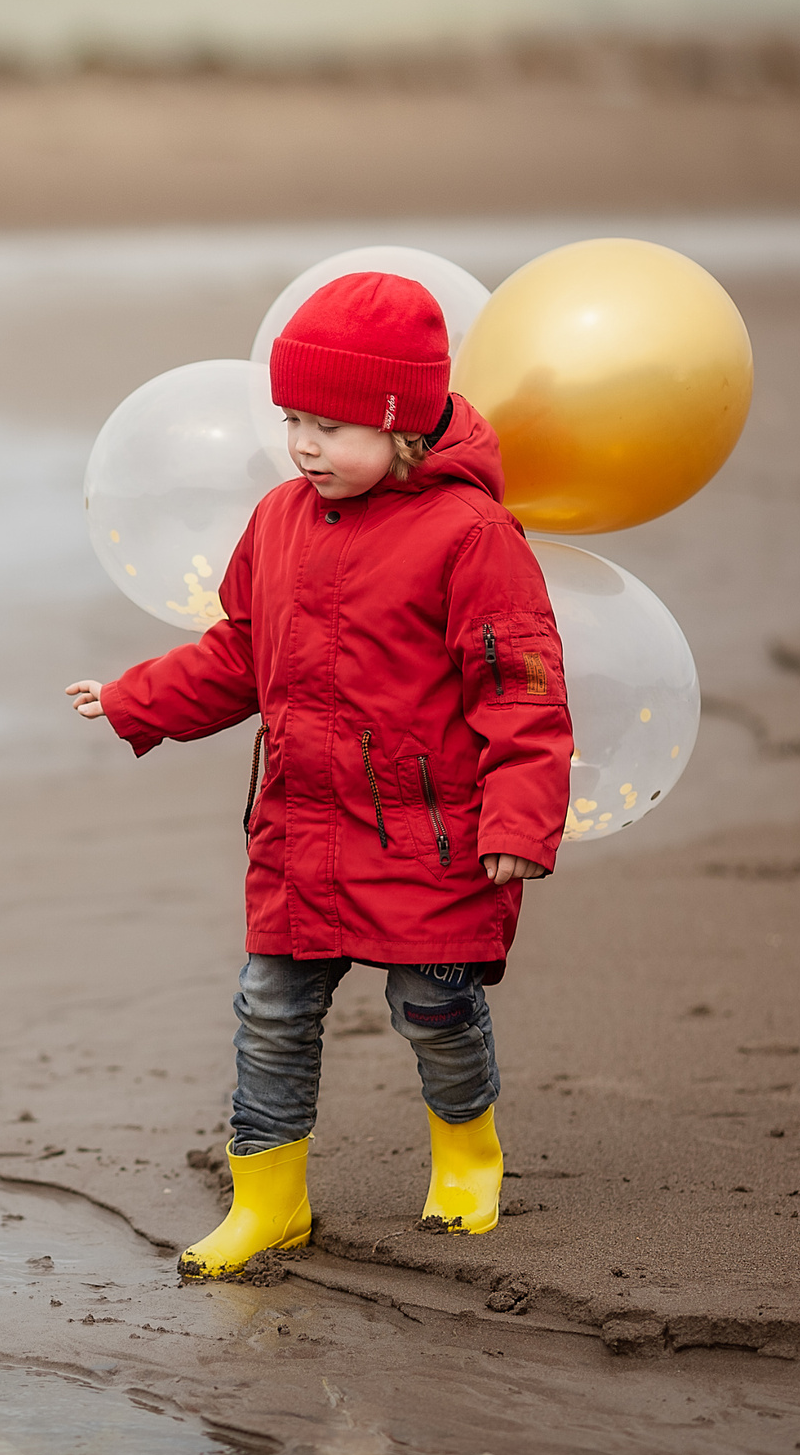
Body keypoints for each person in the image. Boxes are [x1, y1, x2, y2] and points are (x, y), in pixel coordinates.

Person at [63, 273, 572, 1278]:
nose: (303, 444)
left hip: (426, 834)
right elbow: (239, 652)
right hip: (301, 830)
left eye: (333, 426)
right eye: (293, 417)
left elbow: (520, 690)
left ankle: (468, 1153)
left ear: (407, 429)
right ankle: (270, 1199)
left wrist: (518, 823)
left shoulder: (471, 538)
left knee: (432, 1007)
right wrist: (136, 699)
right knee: (270, 1008)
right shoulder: (280, 519)